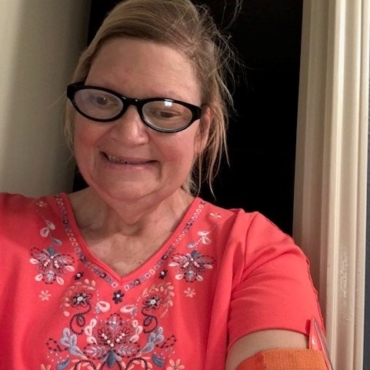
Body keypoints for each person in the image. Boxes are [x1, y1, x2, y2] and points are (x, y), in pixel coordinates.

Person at [0, 0, 331, 369]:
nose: (128, 133)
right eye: (103, 100)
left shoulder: (255, 255)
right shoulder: (4, 230)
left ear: (203, 130)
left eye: (164, 111)